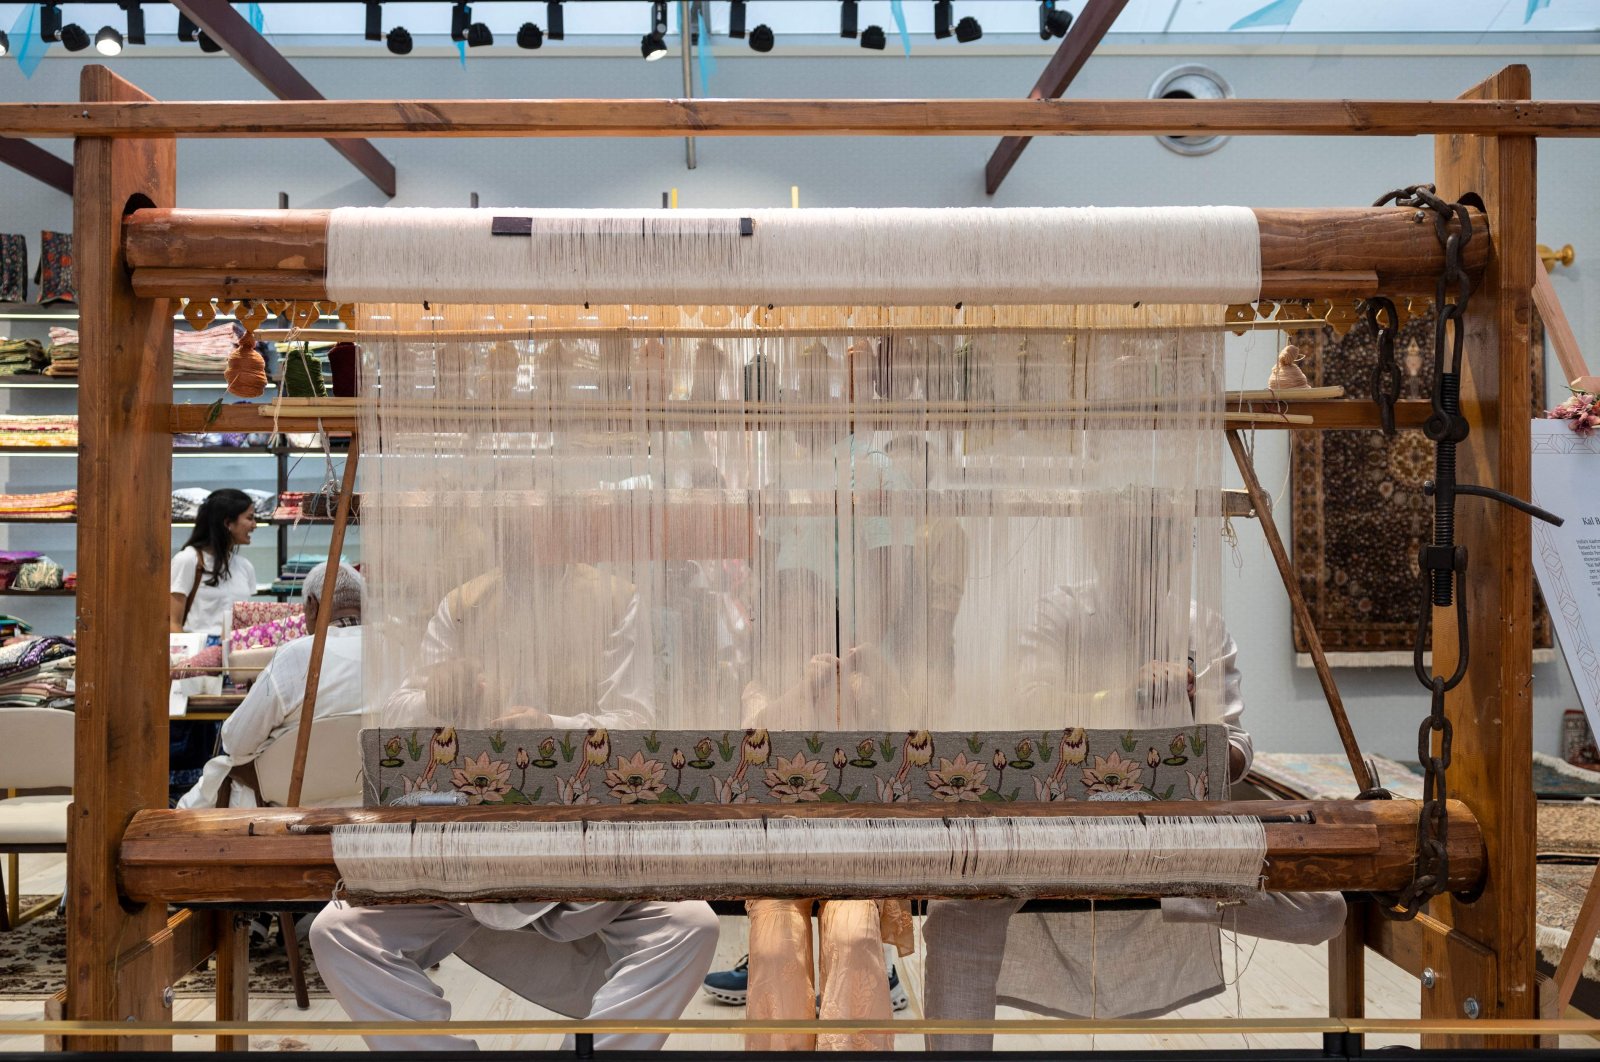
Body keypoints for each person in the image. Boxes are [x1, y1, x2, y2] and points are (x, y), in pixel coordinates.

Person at [919, 581, 1346, 1052]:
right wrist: (1124, 696)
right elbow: (1030, 711)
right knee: (956, 915)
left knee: (1323, 908)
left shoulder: (1199, 625)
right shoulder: (1058, 613)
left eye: (1171, 525)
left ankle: (1178, 892)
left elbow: (1238, 744)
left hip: (1172, 836)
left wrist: (1187, 727)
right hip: (1061, 829)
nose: (1159, 535)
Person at [309, 561, 717, 1052]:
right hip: (468, 845)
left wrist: (549, 725)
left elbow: (634, 722)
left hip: (584, 841)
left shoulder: (615, 599)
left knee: (691, 925)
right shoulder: (464, 604)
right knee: (340, 932)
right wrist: (436, 698)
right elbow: (398, 712)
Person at [175, 562, 365, 810]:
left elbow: (235, 740)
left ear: (311, 605)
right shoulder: (397, 652)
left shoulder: (298, 656)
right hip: (368, 801)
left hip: (287, 805)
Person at [170, 487, 259, 635]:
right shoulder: (187, 560)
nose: (255, 525)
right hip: (196, 654)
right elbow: (172, 623)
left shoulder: (244, 566)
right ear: (227, 523)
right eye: (249, 518)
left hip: (236, 654)